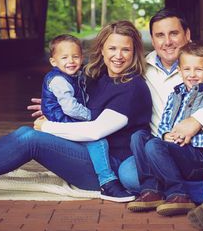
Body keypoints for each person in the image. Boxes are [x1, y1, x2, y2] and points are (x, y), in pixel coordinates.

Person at [0, 20, 152, 205]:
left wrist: (49, 126)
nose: (118, 56)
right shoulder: (99, 77)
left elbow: (95, 130)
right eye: (112, 49)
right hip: (86, 152)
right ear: (102, 49)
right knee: (26, 133)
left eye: (125, 50)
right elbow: (76, 99)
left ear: (134, 52)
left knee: (31, 139)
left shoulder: (132, 88)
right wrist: (51, 106)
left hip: (107, 168)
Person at [116, 8, 203, 230]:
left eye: (174, 33)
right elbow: (107, 80)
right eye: (160, 35)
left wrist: (197, 120)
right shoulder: (143, 65)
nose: (167, 42)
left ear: (187, 35)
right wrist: (57, 108)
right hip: (165, 150)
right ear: (152, 39)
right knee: (128, 174)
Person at [127, 41, 203, 216]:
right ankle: (151, 191)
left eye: (198, 69)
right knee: (139, 137)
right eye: (187, 69)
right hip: (176, 150)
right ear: (180, 71)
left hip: (198, 157)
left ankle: (179, 194)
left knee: (153, 146)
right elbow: (164, 123)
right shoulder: (175, 94)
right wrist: (166, 135)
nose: (192, 74)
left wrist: (190, 137)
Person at [38, 33, 134, 202]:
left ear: (82, 58)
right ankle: (107, 182)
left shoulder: (76, 76)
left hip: (62, 117)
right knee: (98, 141)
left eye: (75, 56)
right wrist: (91, 117)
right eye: (64, 57)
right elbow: (70, 107)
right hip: (62, 120)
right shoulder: (59, 80)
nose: (71, 61)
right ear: (53, 62)